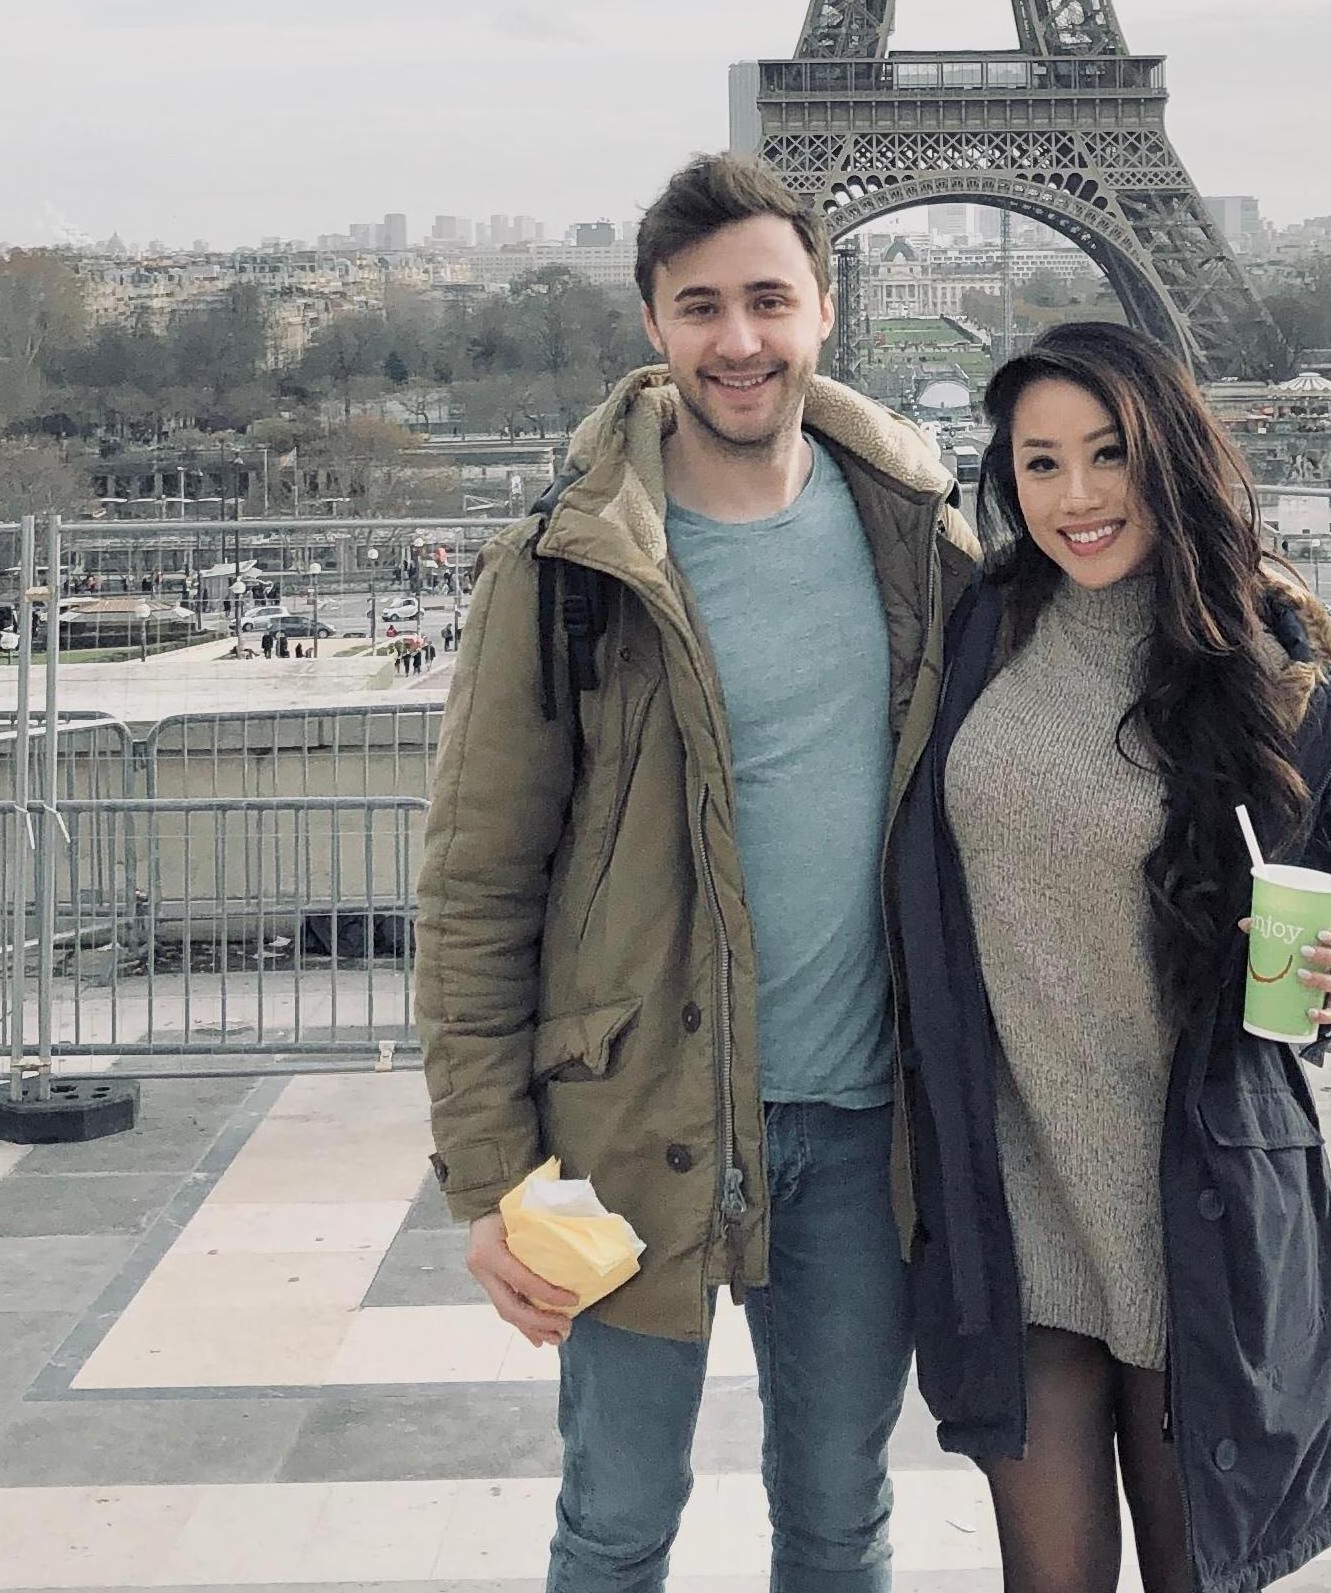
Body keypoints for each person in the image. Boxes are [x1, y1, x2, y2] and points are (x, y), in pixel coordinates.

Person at [415, 153, 977, 1593]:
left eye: (770, 301)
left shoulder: (922, 539)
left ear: (827, 311)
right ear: (655, 326)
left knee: (841, 1523)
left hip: (859, 1129)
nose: (741, 341)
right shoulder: (558, 571)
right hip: (629, 1124)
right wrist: (488, 1182)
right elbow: (476, 890)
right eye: (703, 307)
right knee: (614, 1524)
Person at [892, 322, 1331, 1593]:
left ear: (1172, 459)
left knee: (1196, 1577)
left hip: (1186, 1202)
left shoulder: (1262, 674)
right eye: (1040, 464)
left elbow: (1327, 931)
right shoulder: (980, 630)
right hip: (1014, 1194)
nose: (1077, 495)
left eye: (1109, 454)